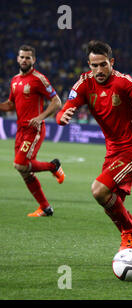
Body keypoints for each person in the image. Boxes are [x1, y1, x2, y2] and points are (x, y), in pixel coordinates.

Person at [56, 40, 132, 263]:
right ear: (88, 65)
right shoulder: (84, 84)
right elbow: (66, 107)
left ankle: (130, 232)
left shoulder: (123, 82)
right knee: (111, 204)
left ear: (111, 62)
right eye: (94, 66)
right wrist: (62, 116)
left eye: (103, 65)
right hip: (113, 152)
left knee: (99, 190)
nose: (99, 71)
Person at [0, 45, 65, 217]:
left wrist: (41, 117)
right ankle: (45, 207)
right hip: (20, 130)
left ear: (34, 60)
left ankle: (53, 166)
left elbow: (57, 102)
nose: (24, 60)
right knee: (24, 171)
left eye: (28, 57)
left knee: (19, 164)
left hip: (34, 130)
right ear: (17, 58)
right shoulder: (14, 80)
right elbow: (11, 104)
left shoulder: (39, 79)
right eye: (22, 57)